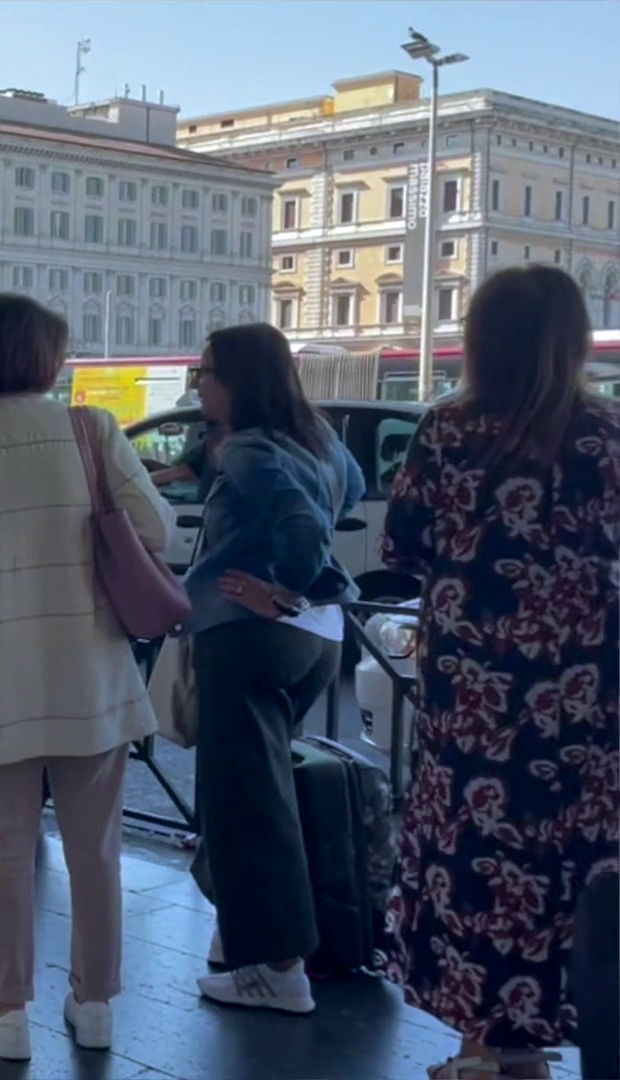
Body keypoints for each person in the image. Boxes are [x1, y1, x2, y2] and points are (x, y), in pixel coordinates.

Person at [0, 295, 169, 1060]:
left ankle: (9, 1011)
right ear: (47, 358)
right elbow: (156, 529)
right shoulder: (92, 430)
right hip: (92, 679)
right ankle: (95, 1004)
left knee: (6, 851)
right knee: (96, 850)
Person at [379, 266, 618, 1080]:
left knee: (475, 858)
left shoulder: (448, 431)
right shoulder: (607, 436)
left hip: (474, 701)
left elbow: (402, 546)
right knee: (572, 868)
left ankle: (487, 1049)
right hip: (588, 704)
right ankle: (542, 1038)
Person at [177, 323, 364, 1015]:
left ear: (239, 380)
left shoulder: (249, 448)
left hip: (249, 636)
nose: (199, 384)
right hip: (318, 640)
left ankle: (279, 968)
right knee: (262, 789)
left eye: (206, 372)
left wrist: (284, 587)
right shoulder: (319, 438)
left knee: (246, 801)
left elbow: (303, 529)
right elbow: (348, 494)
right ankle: (244, 933)